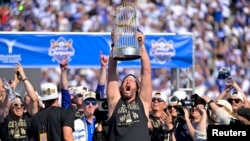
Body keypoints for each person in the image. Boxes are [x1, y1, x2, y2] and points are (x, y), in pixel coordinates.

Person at [107, 30, 152, 141]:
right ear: (120, 88)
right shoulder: (115, 102)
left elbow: (146, 72)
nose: (127, 82)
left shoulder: (143, 102)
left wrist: (141, 47)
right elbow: (111, 72)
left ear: (137, 88)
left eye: (131, 80)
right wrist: (115, 43)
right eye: (125, 81)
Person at [0, 63, 39, 141]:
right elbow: (4, 106)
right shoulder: (5, 118)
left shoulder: (28, 117)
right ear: (10, 108)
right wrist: (15, 83)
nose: (19, 107)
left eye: (21, 105)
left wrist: (23, 77)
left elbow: (34, 99)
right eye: (16, 105)